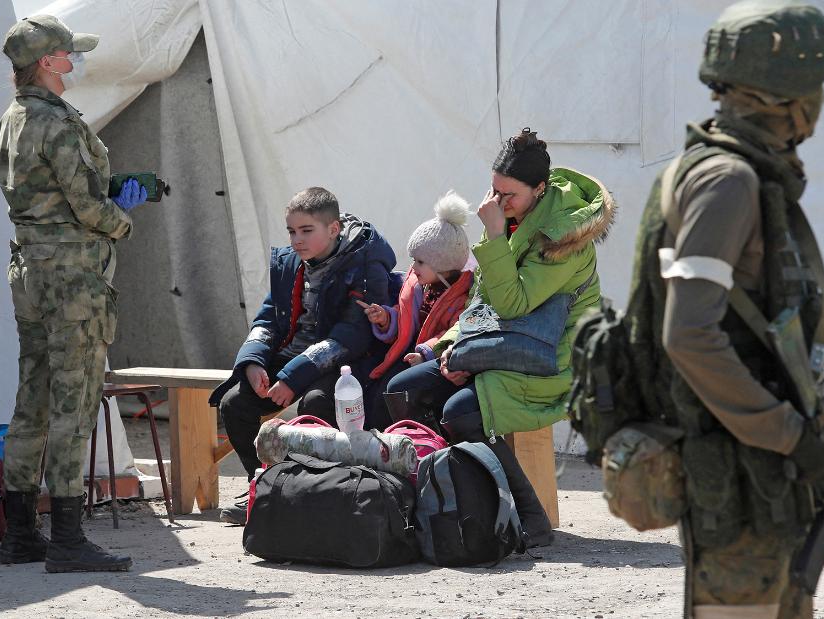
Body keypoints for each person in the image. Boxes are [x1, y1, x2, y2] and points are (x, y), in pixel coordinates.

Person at [624, 2, 824, 616]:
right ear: (782, 95)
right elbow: (689, 334)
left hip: (758, 471)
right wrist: (787, 433)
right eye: (813, 87)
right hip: (739, 476)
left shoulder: (733, 170)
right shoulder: (726, 180)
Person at [387, 129, 615, 547]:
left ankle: (529, 517)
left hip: (552, 360)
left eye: (508, 193)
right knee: (402, 391)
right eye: (494, 190)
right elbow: (481, 304)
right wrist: (436, 348)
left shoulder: (564, 239)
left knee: (461, 414)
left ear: (540, 189)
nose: (496, 202)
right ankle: (454, 501)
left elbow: (512, 304)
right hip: (501, 344)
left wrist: (493, 237)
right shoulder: (514, 220)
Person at [0, 15, 148, 573]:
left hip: (30, 270)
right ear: (48, 62)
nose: (76, 62)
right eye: (69, 54)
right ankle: (66, 539)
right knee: (74, 404)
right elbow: (87, 207)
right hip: (73, 278)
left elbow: (46, 196)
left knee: (31, 399)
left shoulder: (14, 118)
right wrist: (123, 218)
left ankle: (18, 535)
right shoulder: (58, 123)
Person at [208, 187, 395, 525]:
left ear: (334, 229)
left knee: (317, 404)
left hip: (343, 364)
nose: (297, 240)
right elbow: (268, 319)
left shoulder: (365, 262)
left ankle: (316, 490)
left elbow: (352, 335)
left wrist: (293, 377)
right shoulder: (289, 263)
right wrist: (252, 363)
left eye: (307, 231)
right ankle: (263, 485)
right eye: (292, 231)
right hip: (292, 358)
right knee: (235, 404)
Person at [359, 190, 475, 430]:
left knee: (391, 394)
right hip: (405, 354)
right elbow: (403, 320)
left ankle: (403, 441)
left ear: (443, 264)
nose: (413, 266)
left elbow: (451, 333)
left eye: (421, 261)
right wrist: (385, 318)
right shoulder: (417, 285)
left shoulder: (461, 296)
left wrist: (425, 353)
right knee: (372, 393)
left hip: (432, 361)